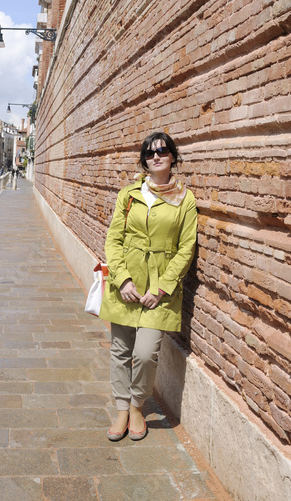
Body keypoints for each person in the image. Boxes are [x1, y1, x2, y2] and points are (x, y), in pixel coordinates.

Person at [102, 131, 197, 441]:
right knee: (120, 350)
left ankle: (136, 405)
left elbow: (186, 248)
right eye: (149, 153)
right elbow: (113, 240)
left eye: (163, 151)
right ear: (144, 160)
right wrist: (122, 279)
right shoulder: (128, 195)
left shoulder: (186, 199)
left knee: (144, 353)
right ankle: (120, 409)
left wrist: (162, 288)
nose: (156, 156)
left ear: (173, 157)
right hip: (126, 283)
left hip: (159, 290)